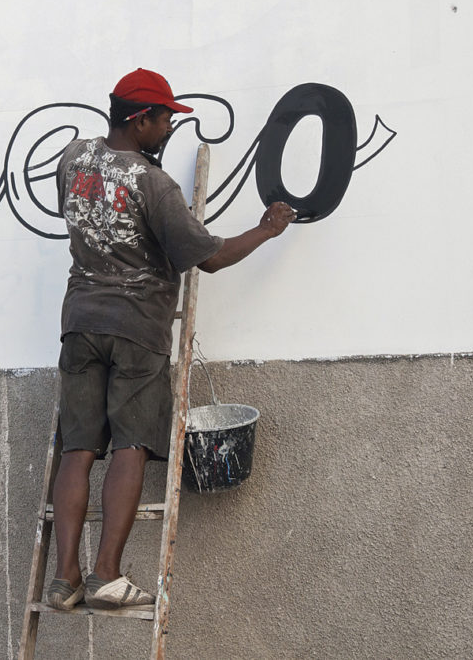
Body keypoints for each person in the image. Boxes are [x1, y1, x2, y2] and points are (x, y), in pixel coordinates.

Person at [46, 68, 296, 611]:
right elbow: (211, 257)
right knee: (131, 444)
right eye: (163, 121)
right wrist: (267, 229)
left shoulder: (70, 159)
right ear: (139, 120)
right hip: (136, 328)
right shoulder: (152, 184)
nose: (167, 130)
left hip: (80, 321)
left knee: (78, 448)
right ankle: (106, 575)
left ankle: (65, 579)